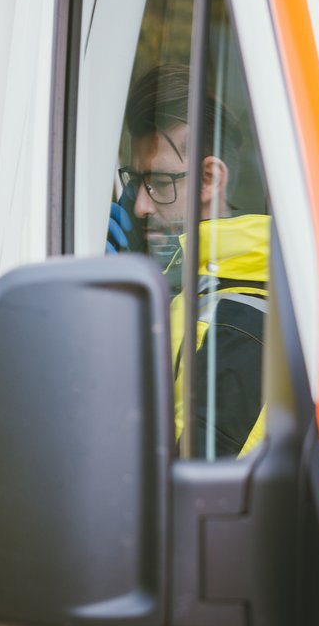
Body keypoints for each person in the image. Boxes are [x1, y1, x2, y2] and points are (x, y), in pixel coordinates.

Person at [106, 64, 270, 458]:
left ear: (210, 179)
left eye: (159, 183)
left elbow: (179, 502)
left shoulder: (235, 323)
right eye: (135, 181)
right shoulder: (186, 291)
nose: (141, 205)